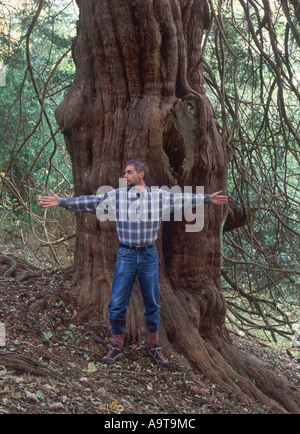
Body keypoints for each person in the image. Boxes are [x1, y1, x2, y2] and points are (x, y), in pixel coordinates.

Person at [40, 160, 228, 366]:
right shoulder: (117, 196)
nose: (125, 175)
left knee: (152, 304)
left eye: (129, 172)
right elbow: (92, 202)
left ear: (141, 174)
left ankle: (155, 347)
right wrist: (63, 202)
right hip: (126, 255)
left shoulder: (159, 196)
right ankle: (116, 346)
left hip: (148, 256)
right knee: (117, 303)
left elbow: (182, 199)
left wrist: (209, 198)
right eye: (125, 172)